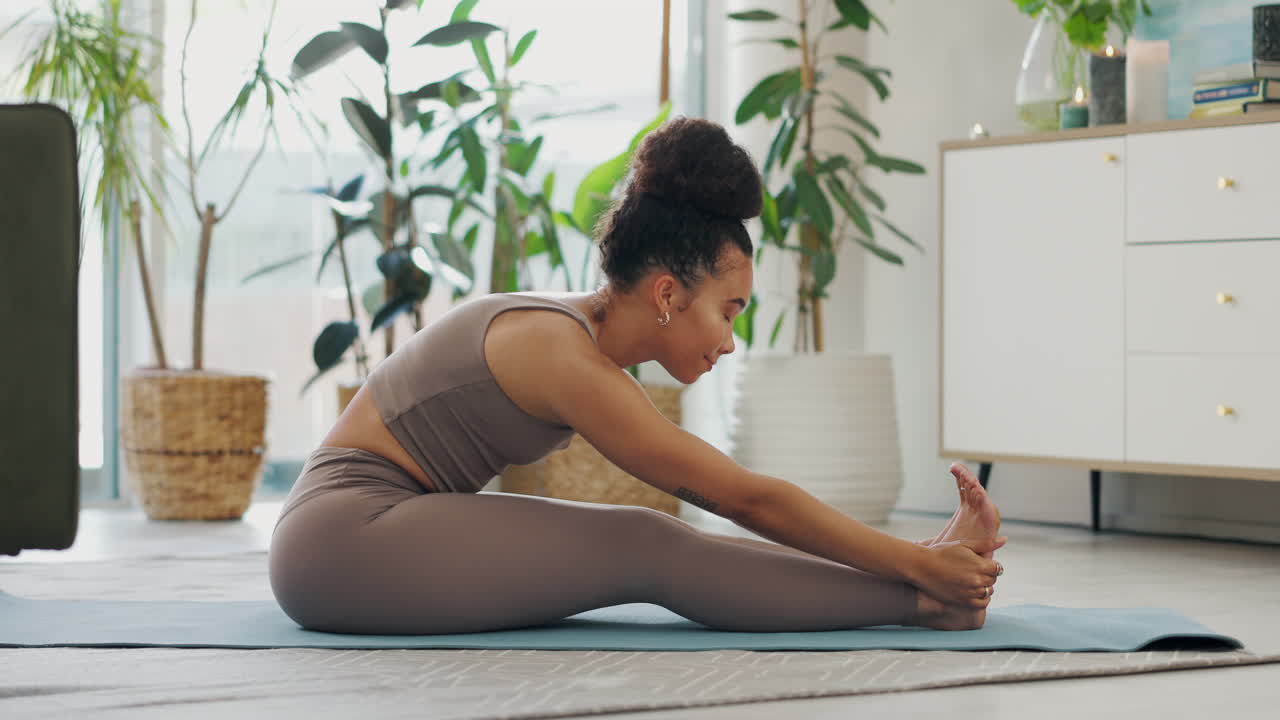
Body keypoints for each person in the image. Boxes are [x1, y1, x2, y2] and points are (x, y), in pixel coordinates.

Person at [268, 116, 1006, 636]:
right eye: (729, 309)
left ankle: (923, 594)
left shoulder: (580, 342)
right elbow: (747, 499)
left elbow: (740, 506)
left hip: (369, 533)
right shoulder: (563, 355)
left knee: (648, 541)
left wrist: (920, 564)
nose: (731, 337)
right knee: (644, 546)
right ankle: (924, 600)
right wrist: (915, 563)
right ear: (666, 294)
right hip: (343, 541)